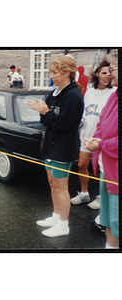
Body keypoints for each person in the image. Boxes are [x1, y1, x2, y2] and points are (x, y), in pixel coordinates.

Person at [27, 56, 84, 237]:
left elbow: (62, 126)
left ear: (67, 73)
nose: (51, 76)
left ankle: (63, 225)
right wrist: (42, 111)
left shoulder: (73, 95)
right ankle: (56, 216)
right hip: (51, 145)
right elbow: (46, 121)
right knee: (52, 184)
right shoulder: (55, 92)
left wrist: (46, 112)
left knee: (61, 187)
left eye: (54, 73)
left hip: (63, 147)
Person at [83, 49, 119, 249]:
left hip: (115, 174)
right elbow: (101, 122)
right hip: (107, 170)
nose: (110, 73)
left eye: (113, 68)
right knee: (108, 221)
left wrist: (101, 145)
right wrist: (95, 139)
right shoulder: (114, 95)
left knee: (116, 222)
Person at [71, 60, 117, 209]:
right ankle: (84, 193)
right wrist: (80, 120)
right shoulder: (90, 92)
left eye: (109, 73)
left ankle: (101, 195)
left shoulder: (113, 92)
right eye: (103, 73)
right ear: (96, 74)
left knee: (101, 169)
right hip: (87, 135)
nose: (107, 76)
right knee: (82, 164)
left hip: (103, 139)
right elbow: (84, 111)